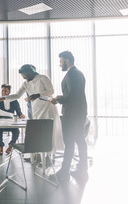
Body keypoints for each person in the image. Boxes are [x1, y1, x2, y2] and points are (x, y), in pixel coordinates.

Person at [0, 64, 64, 153]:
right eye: (22, 76)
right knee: (38, 133)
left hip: (47, 108)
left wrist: (39, 94)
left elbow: (51, 91)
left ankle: (48, 155)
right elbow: (17, 95)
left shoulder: (43, 78)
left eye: (25, 75)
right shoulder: (25, 84)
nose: (24, 77)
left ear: (30, 73)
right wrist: (4, 98)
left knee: (48, 132)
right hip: (36, 108)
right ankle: (39, 155)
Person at [49, 51, 88, 183]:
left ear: (66, 60)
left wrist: (57, 100)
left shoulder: (72, 74)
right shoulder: (79, 73)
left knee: (70, 142)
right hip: (78, 113)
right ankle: (82, 170)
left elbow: (72, 95)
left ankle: (64, 172)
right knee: (80, 142)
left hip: (72, 115)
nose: (60, 64)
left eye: (60, 61)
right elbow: (74, 94)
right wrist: (61, 97)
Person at [0, 84, 25, 155]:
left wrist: (21, 115)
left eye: (6, 91)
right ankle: (1, 146)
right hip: (1, 121)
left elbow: (19, 112)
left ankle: (11, 145)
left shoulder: (14, 100)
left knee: (16, 131)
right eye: (2, 91)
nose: (3, 92)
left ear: (9, 92)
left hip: (11, 121)